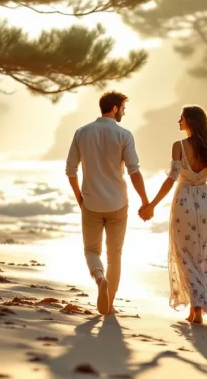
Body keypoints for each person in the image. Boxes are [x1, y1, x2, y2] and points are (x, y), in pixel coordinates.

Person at [138, 105, 207, 324]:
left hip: (184, 203)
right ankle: (195, 308)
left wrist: (151, 204)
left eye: (181, 118)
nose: (178, 121)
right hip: (206, 204)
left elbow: (171, 179)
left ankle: (196, 308)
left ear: (190, 121)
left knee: (184, 254)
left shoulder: (179, 146)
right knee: (205, 255)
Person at [66, 91, 149, 315]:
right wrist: (145, 200)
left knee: (91, 251)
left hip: (91, 203)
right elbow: (134, 171)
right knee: (115, 256)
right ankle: (109, 304)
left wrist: (79, 197)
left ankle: (99, 278)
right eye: (123, 107)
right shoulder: (124, 135)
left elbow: (70, 170)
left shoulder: (82, 132)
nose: (124, 111)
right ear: (114, 108)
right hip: (118, 204)